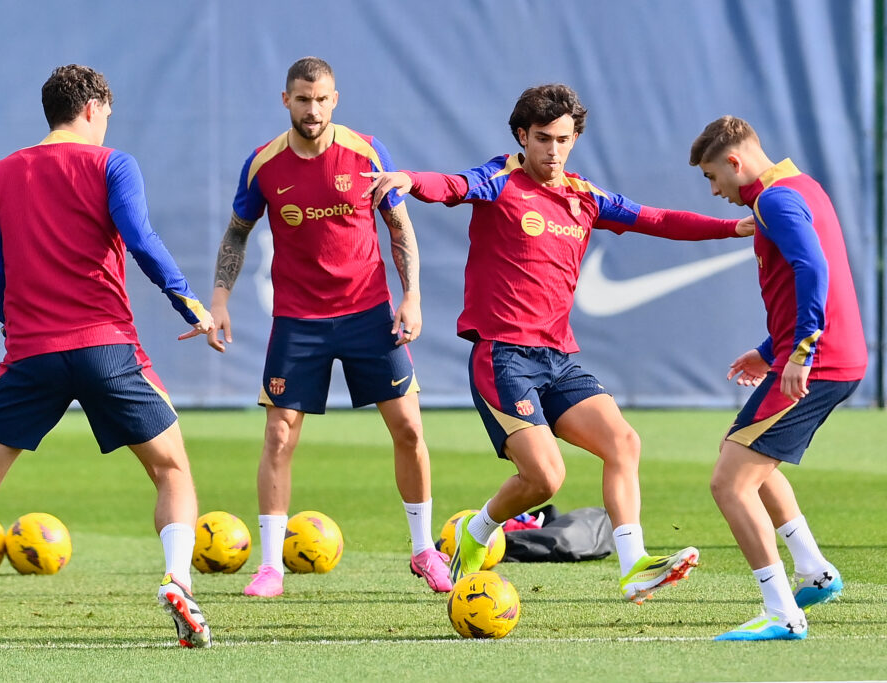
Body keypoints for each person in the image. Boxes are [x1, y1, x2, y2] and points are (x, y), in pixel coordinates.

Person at [362, 84, 754, 603]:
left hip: (558, 360)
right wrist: (411, 180)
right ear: (522, 136)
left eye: (564, 139)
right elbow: (453, 186)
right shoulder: (500, 178)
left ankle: (634, 563)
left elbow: (655, 220)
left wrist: (735, 227)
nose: (554, 150)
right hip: (503, 359)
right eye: (543, 138)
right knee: (545, 478)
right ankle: (477, 533)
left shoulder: (585, 197)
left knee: (624, 442)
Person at [0, 65, 215, 651]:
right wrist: (187, 301)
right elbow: (139, 237)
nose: (109, 123)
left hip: (31, 352)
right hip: (106, 346)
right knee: (171, 469)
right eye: (108, 113)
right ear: (91, 108)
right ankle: (178, 580)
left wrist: (14, 328)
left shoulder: (0, 174)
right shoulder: (113, 164)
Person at [207, 56, 451, 598]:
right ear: (286, 100)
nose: (311, 109)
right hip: (299, 320)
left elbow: (398, 225)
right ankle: (271, 567)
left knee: (409, 429)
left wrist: (411, 297)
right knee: (278, 435)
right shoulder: (263, 164)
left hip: (369, 313)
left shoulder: (366, 152)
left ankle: (422, 551)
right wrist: (219, 300)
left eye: (321, 99)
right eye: (301, 99)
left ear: (334, 100)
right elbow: (236, 233)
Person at [690, 116, 866, 641]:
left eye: (711, 176)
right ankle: (815, 570)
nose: (715, 189)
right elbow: (808, 275)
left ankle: (783, 613)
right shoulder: (801, 184)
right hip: (825, 356)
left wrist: (802, 352)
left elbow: (814, 268)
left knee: (729, 483)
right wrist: (770, 350)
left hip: (821, 361)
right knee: (741, 456)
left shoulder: (772, 200)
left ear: (735, 162)